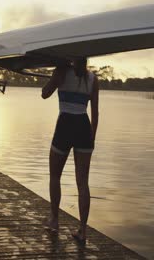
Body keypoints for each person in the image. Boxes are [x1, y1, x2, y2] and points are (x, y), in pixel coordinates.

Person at [41, 58, 99, 243]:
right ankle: (82, 230)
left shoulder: (62, 72)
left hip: (65, 125)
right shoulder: (92, 78)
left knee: (55, 175)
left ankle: (55, 220)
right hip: (84, 126)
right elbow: (95, 112)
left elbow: (44, 94)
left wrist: (55, 75)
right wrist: (92, 137)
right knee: (83, 182)